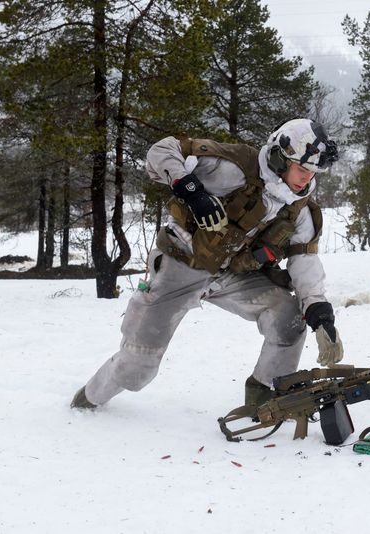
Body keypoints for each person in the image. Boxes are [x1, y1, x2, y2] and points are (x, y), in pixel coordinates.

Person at [71, 118, 343, 412]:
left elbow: (305, 261)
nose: (306, 179)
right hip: (182, 262)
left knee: (289, 320)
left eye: (313, 172)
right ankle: (88, 399)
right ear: (280, 157)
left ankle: (263, 400)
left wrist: (318, 311)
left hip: (234, 275)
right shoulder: (233, 168)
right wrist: (193, 191)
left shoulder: (300, 209)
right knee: (137, 368)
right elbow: (162, 151)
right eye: (302, 169)